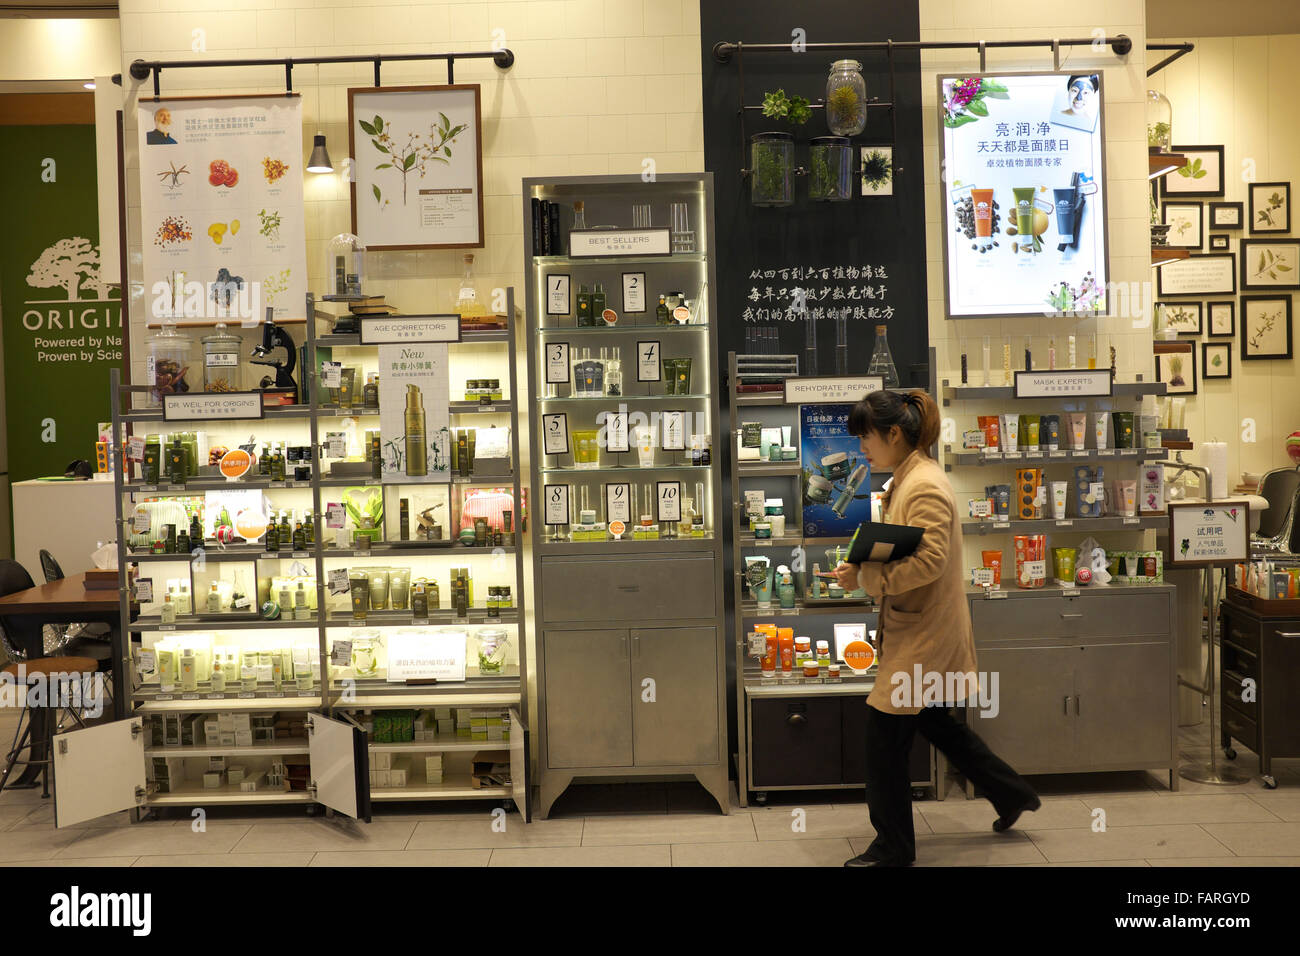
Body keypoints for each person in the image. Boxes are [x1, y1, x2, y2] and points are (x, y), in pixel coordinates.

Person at [835, 389, 1039, 867]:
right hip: (921, 628)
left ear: (894, 434)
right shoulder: (910, 478)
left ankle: (893, 849)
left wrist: (869, 577)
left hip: (923, 634)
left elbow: (930, 560)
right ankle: (1011, 794)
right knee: (935, 724)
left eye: (867, 436)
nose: (862, 446)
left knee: (883, 740)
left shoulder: (923, 485)